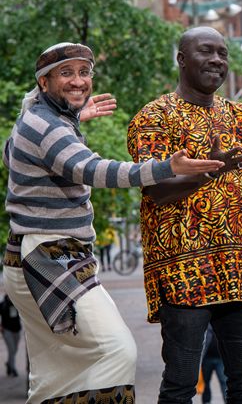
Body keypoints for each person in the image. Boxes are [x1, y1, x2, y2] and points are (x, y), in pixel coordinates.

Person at [2, 42, 223, 403]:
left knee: (51, 372)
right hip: (48, 254)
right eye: (66, 73)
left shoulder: (41, 119)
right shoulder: (47, 125)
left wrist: (72, 118)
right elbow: (95, 170)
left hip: (35, 254)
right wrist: (167, 168)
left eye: (84, 72)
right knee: (118, 350)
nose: (79, 81)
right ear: (43, 83)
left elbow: (10, 153)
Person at [127, 26, 242, 404]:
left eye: (223, 54)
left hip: (240, 271)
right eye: (205, 51)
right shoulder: (154, 116)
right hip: (183, 272)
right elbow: (155, 190)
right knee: (179, 386)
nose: (216, 60)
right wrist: (209, 172)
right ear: (181, 59)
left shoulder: (241, 116)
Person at [200, 326, 227, 403]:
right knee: (205, 383)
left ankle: (227, 400)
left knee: (224, 382)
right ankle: (206, 402)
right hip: (207, 359)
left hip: (221, 359)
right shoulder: (206, 322)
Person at [0, 294, 21, 377]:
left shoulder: (17, 303)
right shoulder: (3, 304)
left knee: (14, 349)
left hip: (17, 329)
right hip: (7, 330)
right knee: (11, 349)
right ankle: (13, 369)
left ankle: (9, 364)